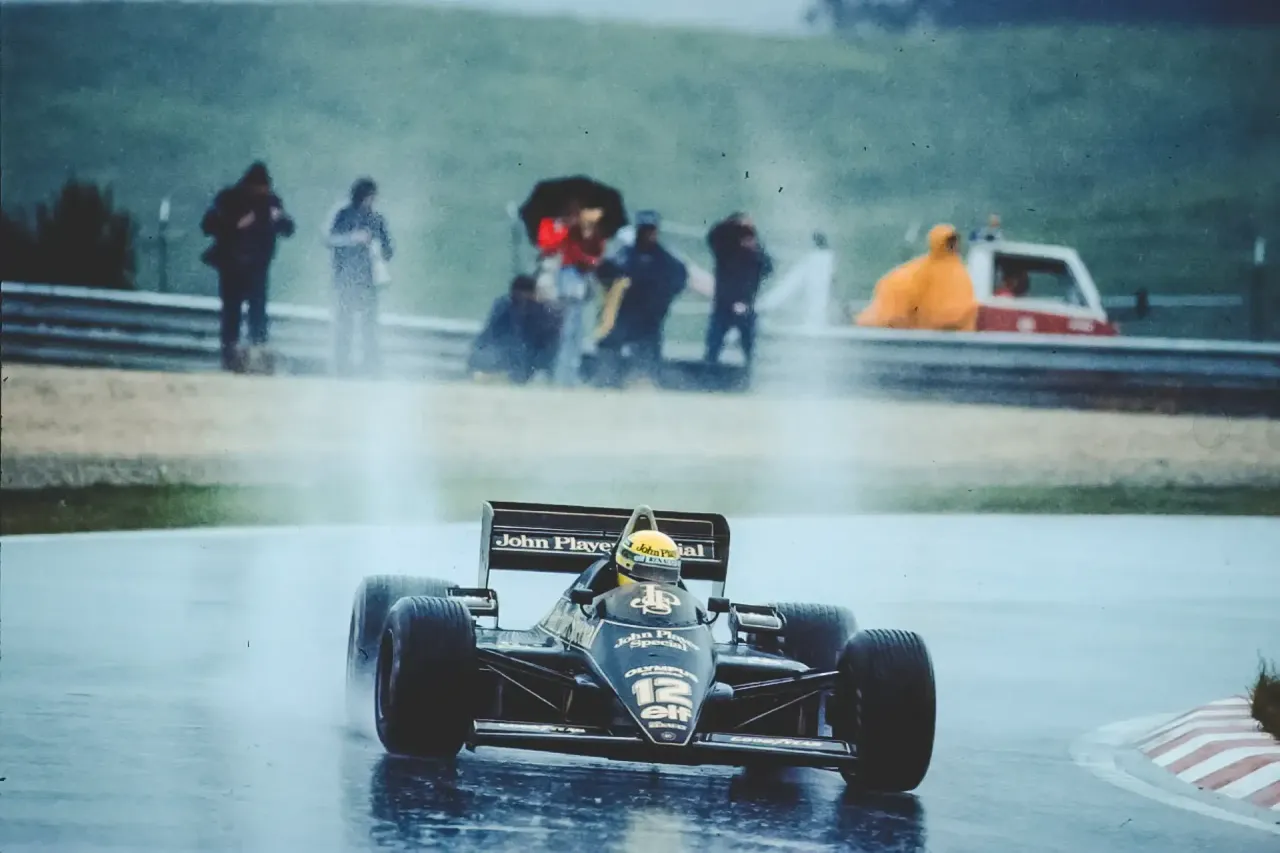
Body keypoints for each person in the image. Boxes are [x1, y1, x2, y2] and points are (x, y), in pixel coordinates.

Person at [200, 161, 295, 372]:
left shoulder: (271, 202)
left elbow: (289, 229)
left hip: (258, 268)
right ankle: (230, 357)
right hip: (231, 266)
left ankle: (257, 355)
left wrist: (279, 218)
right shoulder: (229, 198)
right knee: (231, 313)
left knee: (258, 314)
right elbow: (208, 225)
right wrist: (236, 224)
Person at [593, 210, 688, 388]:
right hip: (624, 314)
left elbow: (679, 278)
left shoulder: (664, 259)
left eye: (651, 230)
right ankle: (606, 381)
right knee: (609, 344)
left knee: (649, 352)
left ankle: (646, 382)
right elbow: (604, 272)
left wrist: (663, 301)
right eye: (645, 230)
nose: (648, 234)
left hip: (649, 317)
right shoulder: (624, 255)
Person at [324, 177, 394, 376]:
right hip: (345, 280)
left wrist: (377, 248)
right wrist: (352, 239)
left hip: (369, 281)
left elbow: (389, 250)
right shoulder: (343, 214)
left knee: (369, 327)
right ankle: (341, 366)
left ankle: (371, 367)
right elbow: (329, 239)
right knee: (344, 325)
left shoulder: (377, 219)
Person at [855, 223, 979, 332]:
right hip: (926, 336)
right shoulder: (922, 270)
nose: (953, 246)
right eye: (950, 242)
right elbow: (898, 296)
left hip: (952, 336)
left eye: (954, 242)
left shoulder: (958, 270)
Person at [536, 200, 608, 387]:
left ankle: (568, 376)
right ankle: (561, 376)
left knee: (575, 332)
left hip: (577, 284)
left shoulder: (589, 235)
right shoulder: (568, 234)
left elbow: (596, 254)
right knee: (568, 332)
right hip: (568, 282)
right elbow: (573, 255)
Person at [704, 212, 773, 368]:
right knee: (713, 347)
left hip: (745, 305)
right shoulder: (725, 251)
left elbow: (768, 268)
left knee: (749, 348)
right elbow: (713, 236)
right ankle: (709, 372)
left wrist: (755, 247)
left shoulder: (755, 256)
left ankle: (749, 373)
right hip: (723, 305)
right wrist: (734, 223)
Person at [467, 274, 559, 383]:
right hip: (503, 357)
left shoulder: (541, 312)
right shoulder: (505, 306)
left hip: (523, 361)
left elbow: (543, 345)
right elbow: (491, 336)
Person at [754, 230, 835, 330]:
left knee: (811, 296)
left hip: (813, 289)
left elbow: (792, 283)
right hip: (814, 290)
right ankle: (764, 308)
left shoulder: (817, 259)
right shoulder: (821, 258)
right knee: (813, 297)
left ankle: (763, 307)